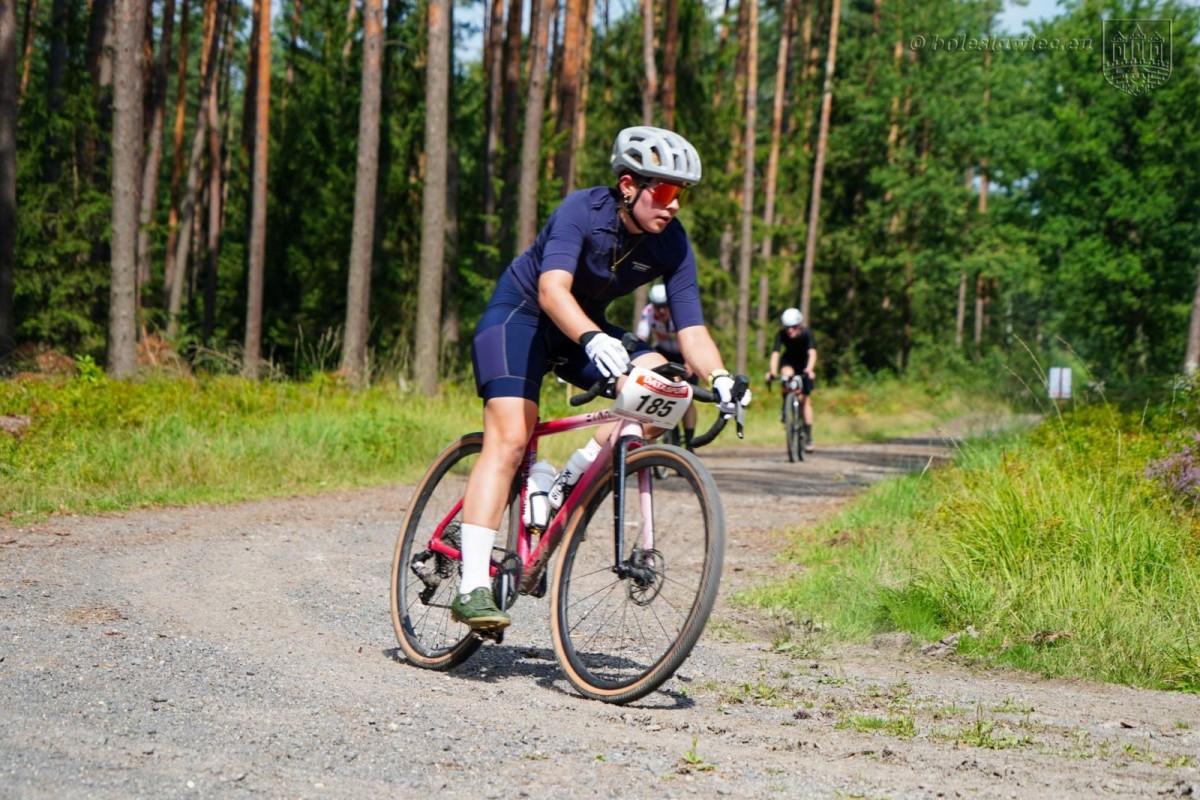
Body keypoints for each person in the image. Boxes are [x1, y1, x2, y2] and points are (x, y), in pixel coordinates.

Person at [453, 125, 751, 632]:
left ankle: (565, 481)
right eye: (666, 192)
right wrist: (591, 338)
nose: (675, 205)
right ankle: (472, 587)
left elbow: (691, 327)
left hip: (583, 327)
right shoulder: (582, 210)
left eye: (682, 194)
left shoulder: (672, 242)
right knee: (510, 439)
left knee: (668, 391)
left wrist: (720, 377)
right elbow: (552, 289)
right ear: (629, 185)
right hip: (522, 317)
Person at [635, 283, 698, 450]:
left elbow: (689, 339)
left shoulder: (678, 313)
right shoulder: (648, 312)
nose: (661, 311)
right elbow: (641, 338)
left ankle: (689, 443)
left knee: (688, 398)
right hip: (664, 353)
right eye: (658, 306)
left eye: (665, 306)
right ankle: (672, 433)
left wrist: (689, 362)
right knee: (665, 395)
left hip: (685, 353)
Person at [766, 307, 817, 451]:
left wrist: (810, 369)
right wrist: (772, 371)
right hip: (789, 361)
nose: (790, 330)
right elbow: (776, 353)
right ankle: (786, 407)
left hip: (804, 364)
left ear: (799, 325)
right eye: (787, 327)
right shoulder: (781, 334)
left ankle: (808, 436)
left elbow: (812, 353)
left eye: (793, 327)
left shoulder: (807, 333)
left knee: (804, 401)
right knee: (785, 375)